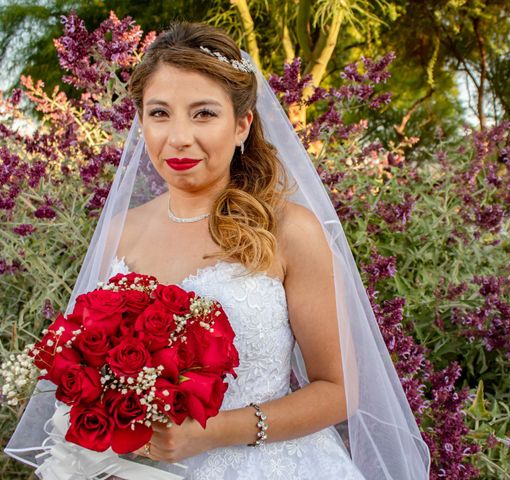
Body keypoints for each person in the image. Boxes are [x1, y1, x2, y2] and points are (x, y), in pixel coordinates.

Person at [5, 22, 430, 479]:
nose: (179, 137)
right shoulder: (120, 230)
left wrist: (211, 431)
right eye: (160, 113)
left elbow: (339, 389)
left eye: (204, 113)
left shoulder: (288, 231)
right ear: (141, 122)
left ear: (242, 124)